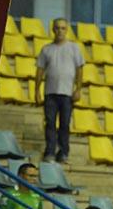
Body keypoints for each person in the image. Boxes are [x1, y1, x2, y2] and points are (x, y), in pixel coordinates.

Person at [35, 18, 84, 163]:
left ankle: (63, 152)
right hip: (50, 92)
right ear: (53, 29)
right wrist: (37, 91)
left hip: (67, 94)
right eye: (57, 28)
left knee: (64, 124)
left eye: (63, 28)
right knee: (50, 123)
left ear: (66, 30)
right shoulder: (46, 49)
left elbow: (80, 69)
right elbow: (40, 70)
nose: (60, 31)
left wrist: (78, 89)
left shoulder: (74, 48)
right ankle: (50, 151)